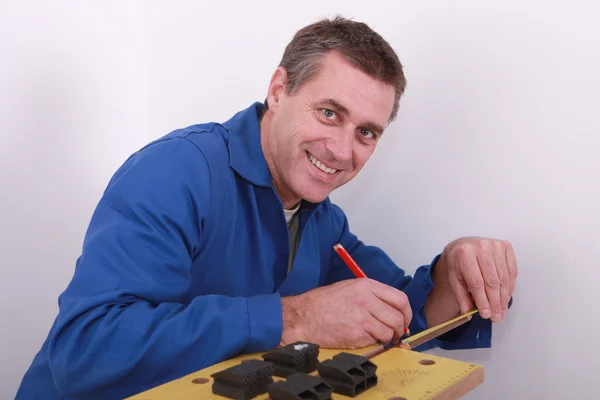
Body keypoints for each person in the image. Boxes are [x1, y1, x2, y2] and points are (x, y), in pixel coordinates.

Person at [16, 15, 518, 400]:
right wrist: (294, 318)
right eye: (329, 112)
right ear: (278, 90)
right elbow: (85, 350)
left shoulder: (322, 219)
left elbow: (402, 316)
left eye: (366, 132)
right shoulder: (173, 173)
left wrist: (454, 274)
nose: (343, 151)